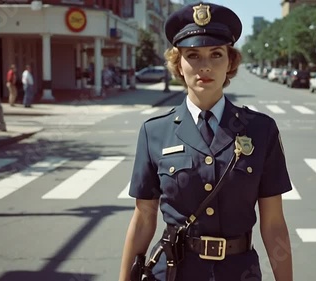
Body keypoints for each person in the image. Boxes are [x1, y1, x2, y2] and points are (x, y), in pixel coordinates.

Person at [118, 3, 293, 281]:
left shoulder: (261, 130)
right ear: (179, 63)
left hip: (239, 273)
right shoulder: (155, 132)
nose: (205, 66)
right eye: (193, 56)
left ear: (230, 62)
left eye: (216, 54)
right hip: (174, 273)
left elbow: (273, 224)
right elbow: (142, 220)